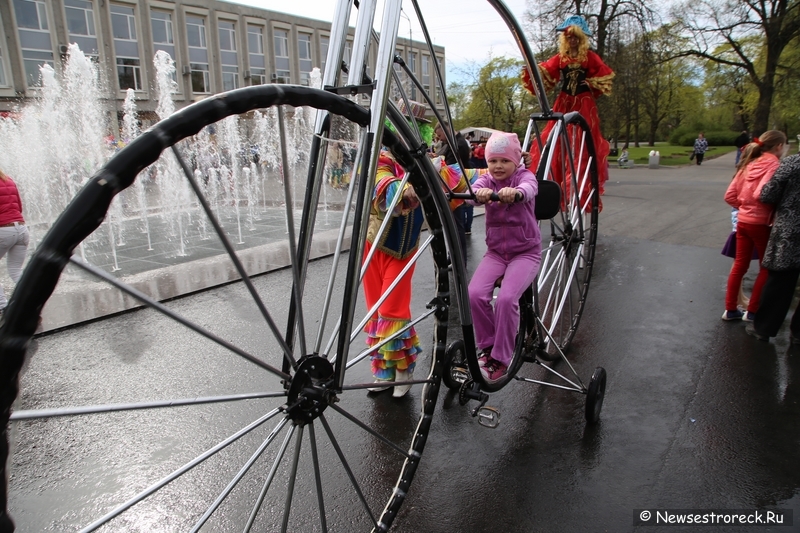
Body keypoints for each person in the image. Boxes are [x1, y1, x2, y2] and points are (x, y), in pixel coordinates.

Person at [467, 132, 540, 382]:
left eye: (504, 161)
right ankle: (487, 347)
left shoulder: (524, 176)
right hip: (496, 253)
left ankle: (501, 359)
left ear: (516, 162)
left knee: (507, 299)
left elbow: (530, 189)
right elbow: (475, 190)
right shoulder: (487, 180)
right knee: (474, 294)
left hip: (526, 253)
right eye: (493, 161)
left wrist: (516, 192)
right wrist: (477, 195)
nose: (498, 166)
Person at [521, 15, 614, 208]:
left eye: (575, 37)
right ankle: (556, 185)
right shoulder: (561, 58)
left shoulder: (589, 57)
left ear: (581, 39)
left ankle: (580, 186)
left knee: (582, 139)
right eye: (569, 37)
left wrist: (588, 83)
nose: (572, 40)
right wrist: (532, 70)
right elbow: (547, 70)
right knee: (554, 139)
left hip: (583, 102)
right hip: (564, 101)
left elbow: (604, 74)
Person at [363, 150, 424, 397]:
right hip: (372, 246)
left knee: (392, 311)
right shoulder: (381, 157)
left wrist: (513, 167)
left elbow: (463, 179)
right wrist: (398, 187)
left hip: (402, 250)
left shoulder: (427, 163)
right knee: (376, 312)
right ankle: (385, 371)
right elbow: (378, 175)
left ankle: (403, 369)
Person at [721, 130, 787, 322]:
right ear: (779, 146)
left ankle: (731, 308)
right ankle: (753, 310)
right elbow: (762, 193)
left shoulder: (749, 163)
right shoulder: (773, 165)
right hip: (761, 223)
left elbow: (729, 196)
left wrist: (744, 206)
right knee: (765, 267)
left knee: (740, 265)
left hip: (743, 220)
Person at [748, 150, 800, 343]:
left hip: (791, 230)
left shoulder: (792, 163)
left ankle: (764, 328)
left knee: (780, 281)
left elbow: (768, 193)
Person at [434, 121, 472, 263]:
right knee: (453, 225)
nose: (439, 138)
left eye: (440, 135)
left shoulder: (458, 144)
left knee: (457, 226)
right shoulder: (453, 142)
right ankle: (455, 257)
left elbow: (451, 167)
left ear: (446, 130)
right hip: (452, 186)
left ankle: (460, 260)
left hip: (456, 187)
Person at [0, 169, 29, 317]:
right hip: (21, 229)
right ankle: (30, 302)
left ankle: (3, 306)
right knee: (15, 269)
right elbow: (19, 206)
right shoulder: (8, 179)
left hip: (3, 230)